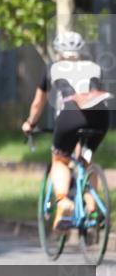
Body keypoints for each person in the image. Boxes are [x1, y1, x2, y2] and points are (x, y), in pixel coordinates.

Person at [22, 31, 112, 229]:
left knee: (60, 159)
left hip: (72, 115)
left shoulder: (52, 68)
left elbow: (38, 103)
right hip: (101, 117)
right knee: (86, 160)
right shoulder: (95, 67)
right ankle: (92, 207)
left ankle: (64, 203)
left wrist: (30, 123)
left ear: (58, 50)